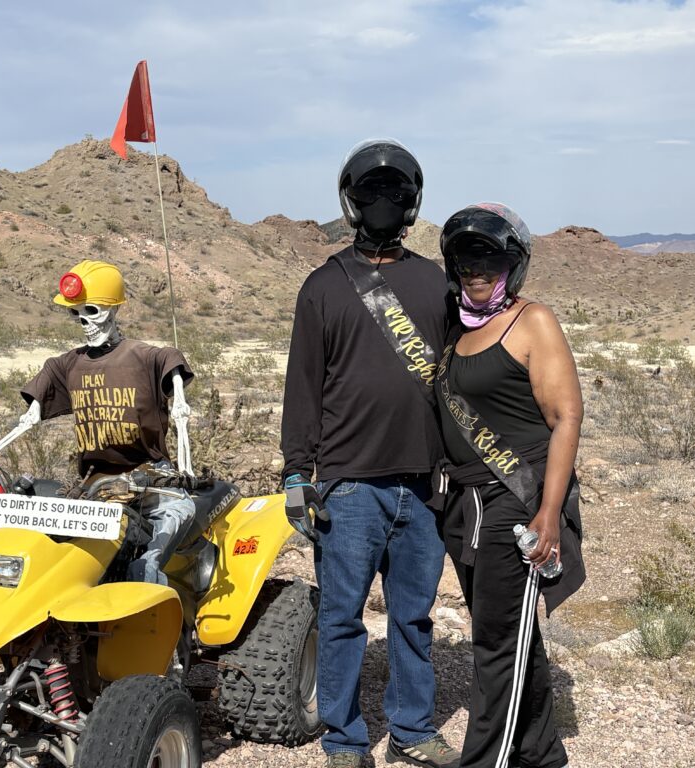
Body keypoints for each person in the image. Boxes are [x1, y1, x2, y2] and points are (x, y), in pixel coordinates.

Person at [281, 139, 461, 768]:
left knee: (414, 618)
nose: (382, 203)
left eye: (394, 194)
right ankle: (344, 740)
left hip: (424, 483)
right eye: (370, 193)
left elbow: (457, 380)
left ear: (411, 204)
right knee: (341, 619)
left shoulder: (438, 285)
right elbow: (302, 387)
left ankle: (411, 730)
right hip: (349, 486)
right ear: (351, 203)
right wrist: (296, 472)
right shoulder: (323, 288)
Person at [433, 203, 585, 768]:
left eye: (489, 259)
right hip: (466, 507)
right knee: (513, 635)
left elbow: (566, 416)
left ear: (513, 265)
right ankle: (540, 754)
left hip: (515, 501)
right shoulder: (457, 328)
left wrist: (549, 513)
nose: (476, 271)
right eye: (466, 260)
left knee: (495, 646)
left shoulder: (533, 321)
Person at [18, 259, 195, 586]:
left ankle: (158, 622)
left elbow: (169, 358)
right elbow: (34, 405)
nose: (85, 321)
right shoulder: (68, 364)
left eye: (92, 311)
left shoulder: (144, 356)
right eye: (76, 313)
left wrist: (179, 400)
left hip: (151, 479)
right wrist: (30, 414)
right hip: (93, 485)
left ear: (114, 311)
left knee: (157, 549)